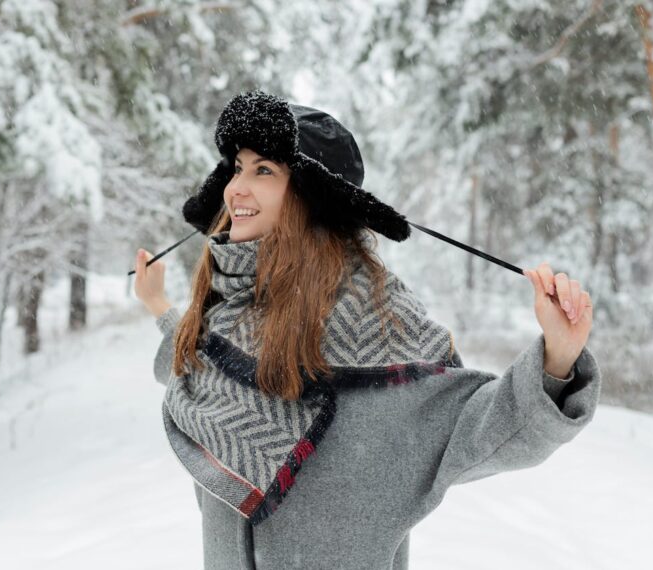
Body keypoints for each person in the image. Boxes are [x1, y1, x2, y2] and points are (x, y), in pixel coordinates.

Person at [133, 90, 600, 570]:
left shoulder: (381, 330)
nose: (236, 190)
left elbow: (479, 431)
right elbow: (193, 360)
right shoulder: (230, 308)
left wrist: (557, 361)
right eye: (237, 167)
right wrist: (160, 306)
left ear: (312, 199)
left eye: (264, 171)